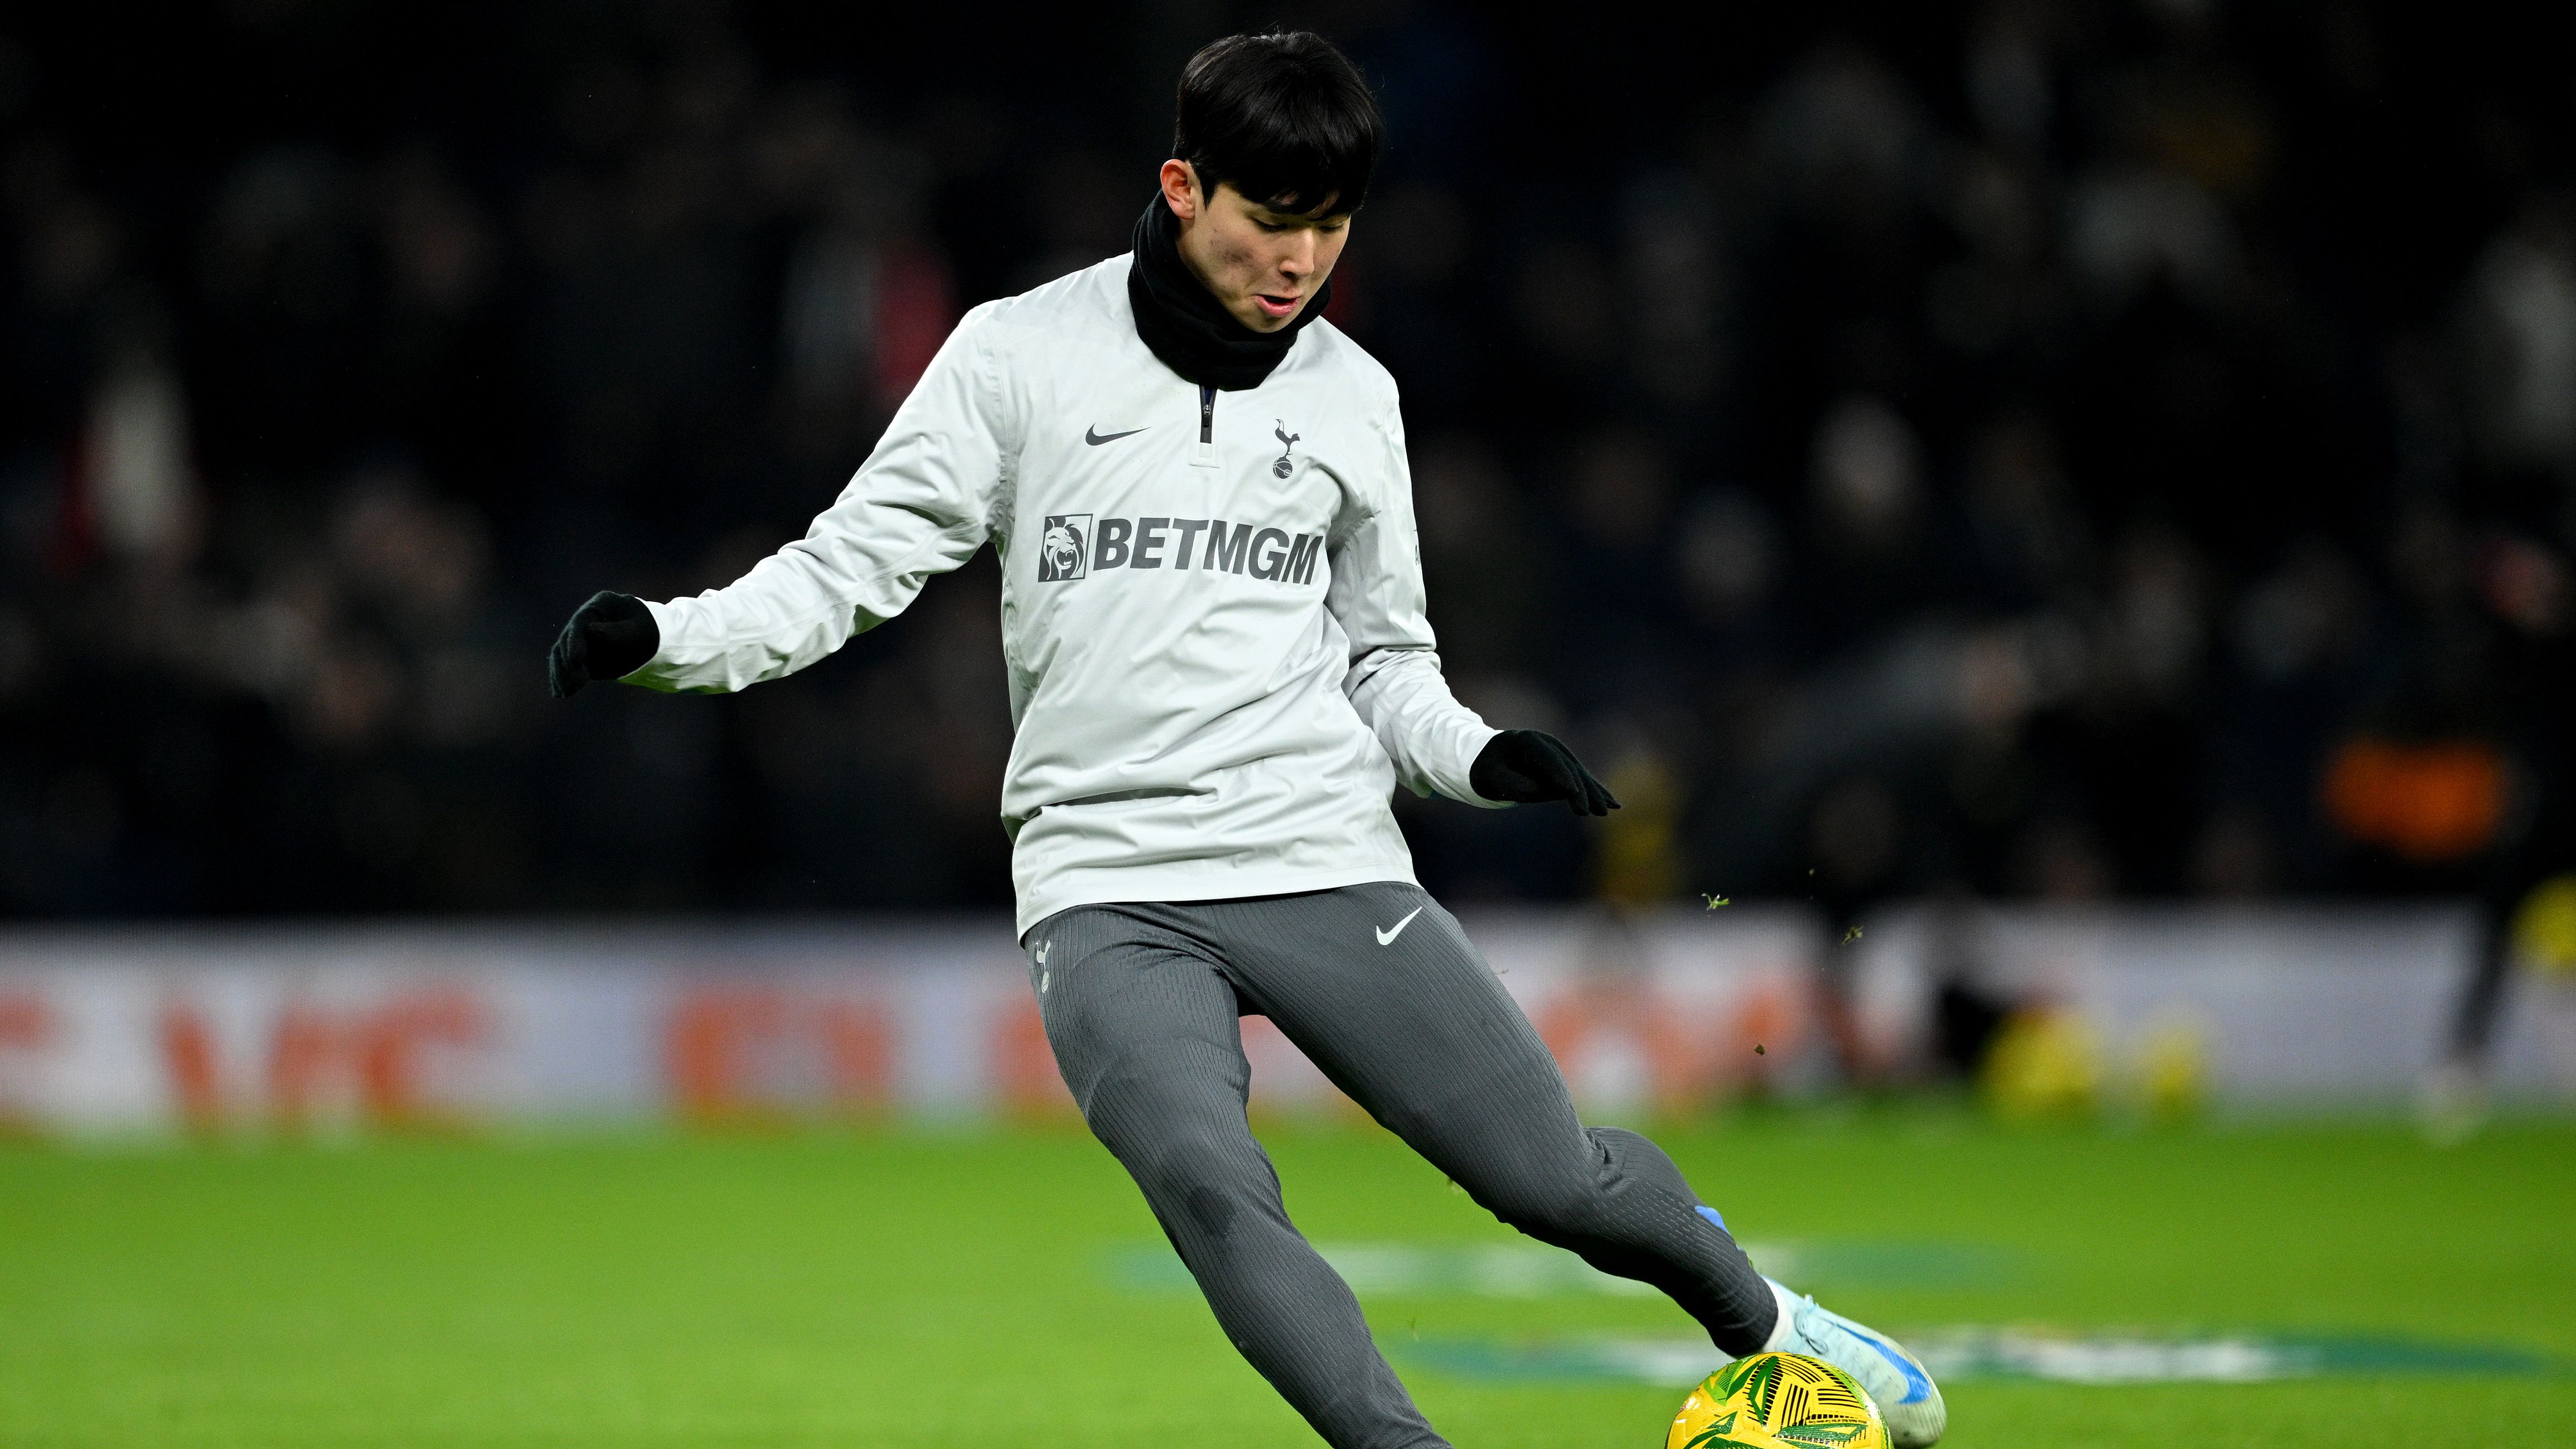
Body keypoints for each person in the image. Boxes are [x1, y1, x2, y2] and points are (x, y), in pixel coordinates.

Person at [546, 31, 1944, 1449]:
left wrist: (1471, 755)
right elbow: (847, 566)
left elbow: (1389, 659)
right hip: (1108, 884)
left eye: (1331, 228)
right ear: (1182, 185)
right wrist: (672, 641)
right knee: (1212, 1189)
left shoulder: (1355, 394)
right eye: (1273, 221)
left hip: (1322, 853)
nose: (1302, 261)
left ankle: (1777, 1331)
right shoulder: (1018, 356)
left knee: (1555, 1182)